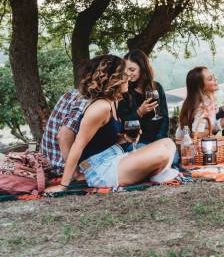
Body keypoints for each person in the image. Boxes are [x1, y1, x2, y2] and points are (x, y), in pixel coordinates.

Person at [45, 55, 177, 193]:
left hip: (112, 157)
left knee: (168, 142)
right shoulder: (100, 107)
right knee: (162, 152)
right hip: (100, 170)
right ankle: (159, 173)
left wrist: (125, 138)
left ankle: (157, 173)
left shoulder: (112, 101)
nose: (128, 78)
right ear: (113, 79)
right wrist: (64, 185)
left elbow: (101, 139)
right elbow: (78, 146)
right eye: (124, 75)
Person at [118, 50, 169, 147]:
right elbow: (123, 122)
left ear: (143, 68)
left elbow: (164, 118)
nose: (128, 73)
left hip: (157, 140)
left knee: (175, 157)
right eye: (125, 70)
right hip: (136, 142)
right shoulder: (125, 91)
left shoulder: (157, 87)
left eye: (132, 70)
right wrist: (139, 112)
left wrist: (160, 139)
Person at [178, 66, 224, 138]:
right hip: (188, 145)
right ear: (202, 87)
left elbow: (213, 126)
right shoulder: (203, 106)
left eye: (213, 77)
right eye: (210, 79)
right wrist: (210, 130)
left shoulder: (208, 100)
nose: (215, 79)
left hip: (197, 140)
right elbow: (196, 135)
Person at [41, 89, 88, 177]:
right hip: (61, 168)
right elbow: (63, 136)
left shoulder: (73, 93)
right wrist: (75, 174)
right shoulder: (85, 101)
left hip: (49, 161)